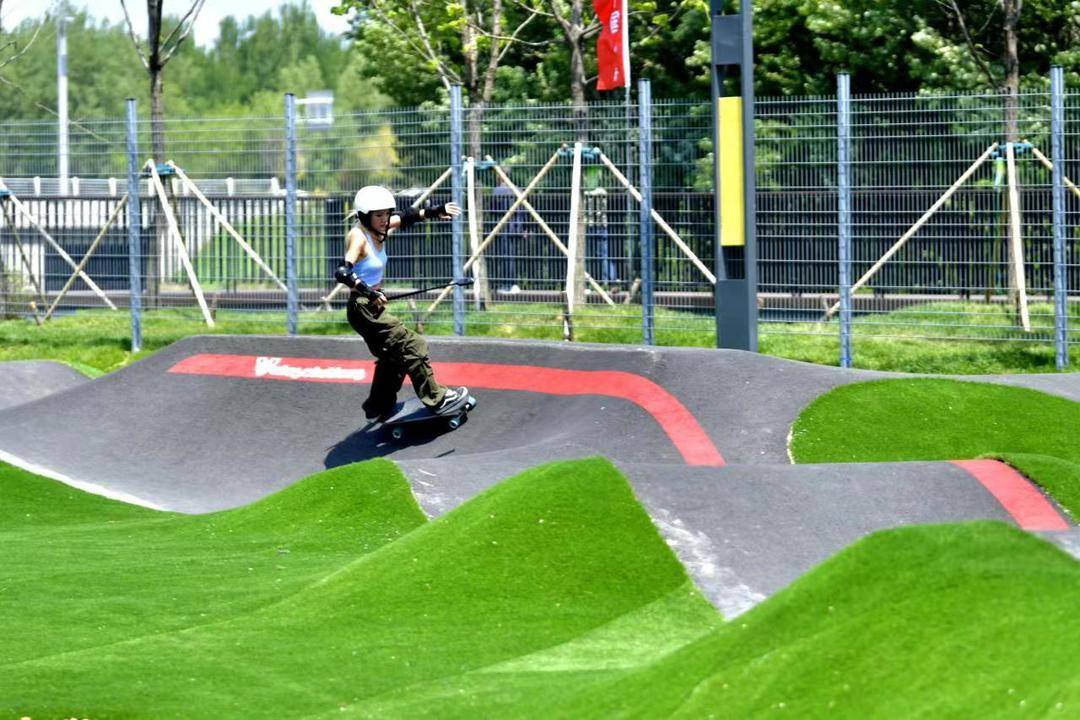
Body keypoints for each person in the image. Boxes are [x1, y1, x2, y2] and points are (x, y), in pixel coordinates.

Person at [334, 185, 465, 420]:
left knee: (392, 357)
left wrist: (437, 210)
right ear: (365, 216)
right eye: (379, 215)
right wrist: (369, 292)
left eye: (386, 213)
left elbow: (407, 217)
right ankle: (437, 398)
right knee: (412, 345)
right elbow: (343, 272)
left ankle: (378, 405)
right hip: (363, 306)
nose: (385, 220)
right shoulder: (358, 237)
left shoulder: (377, 227)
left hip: (371, 305)